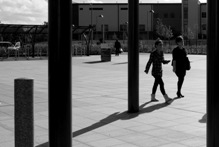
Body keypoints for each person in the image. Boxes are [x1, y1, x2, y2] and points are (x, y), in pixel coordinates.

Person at [144, 38, 172, 104]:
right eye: (160, 45)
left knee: (156, 84)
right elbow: (149, 62)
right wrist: (147, 69)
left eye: (162, 45)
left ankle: (152, 97)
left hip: (160, 71)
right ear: (156, 46)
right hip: (155, 72)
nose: (161, 46)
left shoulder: (161, 52)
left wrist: (166, 62)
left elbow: (162, 61)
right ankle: (166, 98)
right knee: (161, 83)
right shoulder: (153, 54)